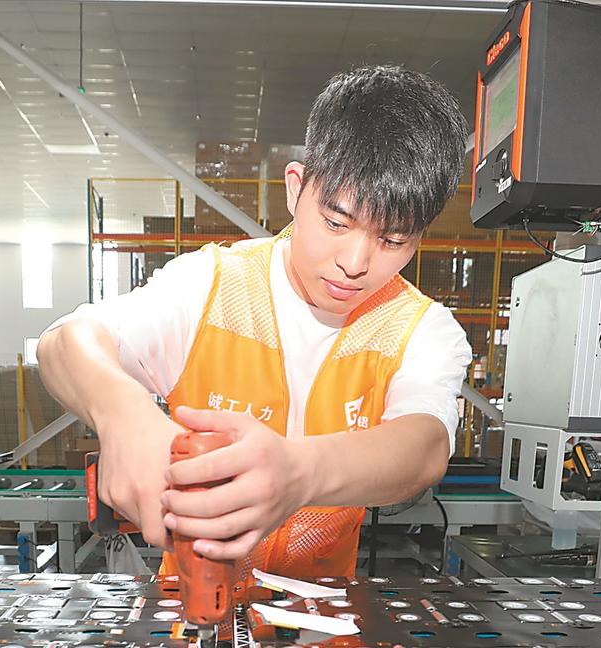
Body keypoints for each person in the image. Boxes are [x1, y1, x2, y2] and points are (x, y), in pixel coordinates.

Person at [39, 65, 471, 579]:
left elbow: (424, 446)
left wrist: (298, 473)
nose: (355, 263)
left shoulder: (419, 328)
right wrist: (121, 412)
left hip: (324, 608)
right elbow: (64, 343)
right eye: (335, 222)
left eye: (393, 240)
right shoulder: (212, 287)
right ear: (296, 188)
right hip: (196, 600)